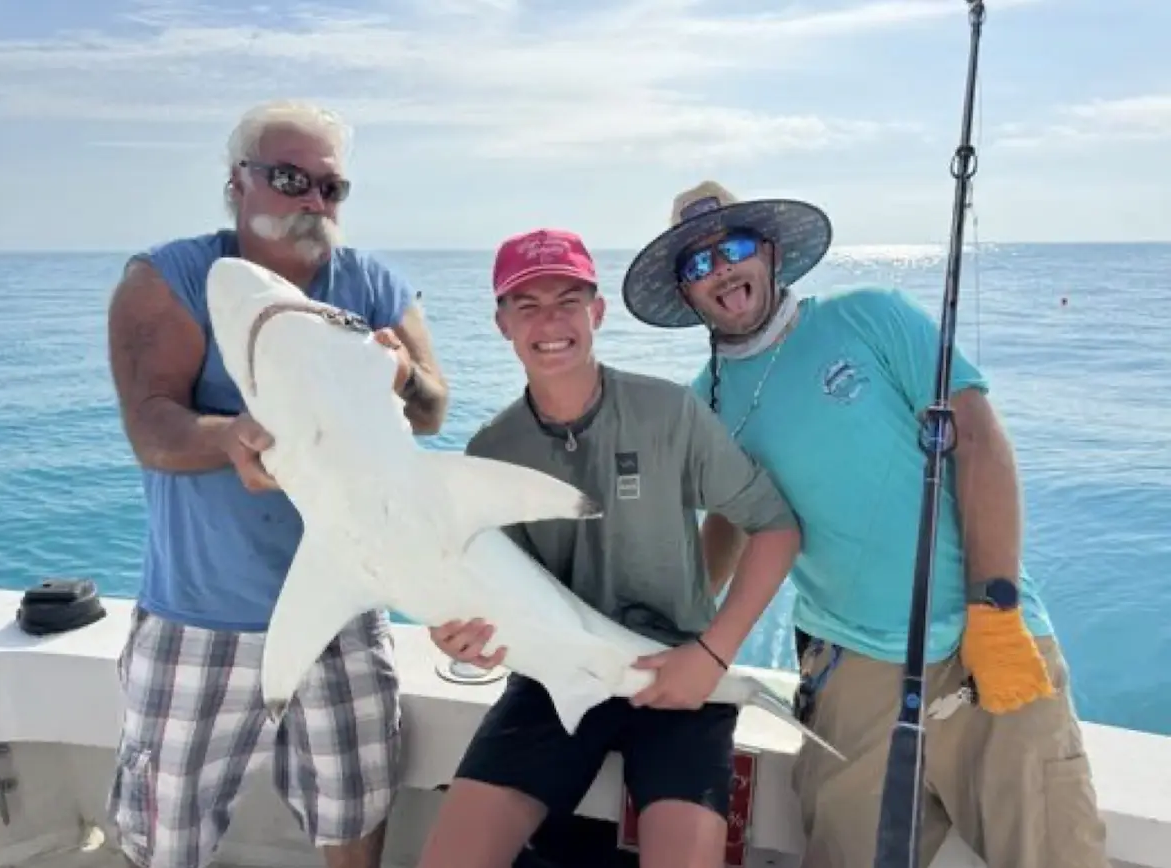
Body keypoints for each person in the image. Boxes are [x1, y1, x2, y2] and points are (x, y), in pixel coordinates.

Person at [619, 180, 1110, 868]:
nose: (721, 271)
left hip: (985, 637)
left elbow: (980, 439)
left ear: (770, 252)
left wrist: (994, 607)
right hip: (850, 665)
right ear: (686, 292)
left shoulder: (871, 317)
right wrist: (679, 633)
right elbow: (732, 524)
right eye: (698, 265)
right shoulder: (705, 406)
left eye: (731, 248)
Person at [103, 99, 449, 868]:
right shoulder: (174, 279)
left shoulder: (373, 284)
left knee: (352, 812)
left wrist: (400, 377)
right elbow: (151, 426)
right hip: (199, 617)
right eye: (290, 178)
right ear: (238, 182)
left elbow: (432, 408)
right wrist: (232, 438)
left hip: (343, 615)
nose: (314, 201)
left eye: (332, 187)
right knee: (166, 835)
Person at [414, 228, 803, 868]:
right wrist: (464, 638)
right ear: (501, 323)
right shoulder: (491, 451)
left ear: (597, 312)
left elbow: (775, 524)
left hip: (679, 672)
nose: (550, 322)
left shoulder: (668, 412)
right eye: (527, 305)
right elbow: (487, 592)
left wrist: (713, 652)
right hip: (555, 676)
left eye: (568, 300)